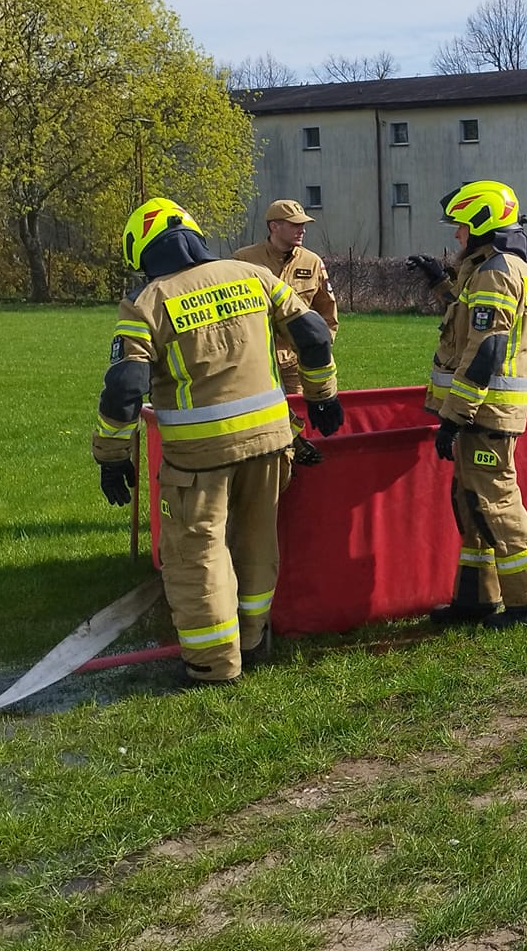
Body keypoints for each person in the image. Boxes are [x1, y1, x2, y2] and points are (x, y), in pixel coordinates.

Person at [92, 197, 342, 687]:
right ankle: (253, 640)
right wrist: (322, 395)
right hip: (271, 444)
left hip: (198, 458)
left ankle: (213, 664)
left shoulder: (147, 302)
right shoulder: (253, 276)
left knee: (197, 554)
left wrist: (112, 455)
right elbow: (314, 333)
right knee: (257, 542)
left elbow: (125, 388)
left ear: (143, 252)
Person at [407, 181, 527, 629]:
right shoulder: (491, 268)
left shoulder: (496, 271)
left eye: (460, 226)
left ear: (480, 225)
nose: (456, 234)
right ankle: (476, 597)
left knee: (495, 501)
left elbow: (486, 348)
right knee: (471, 501)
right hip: (483, 410)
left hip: (485, 411)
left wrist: (454, 417)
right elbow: (465, 316)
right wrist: (439, 281)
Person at [234, 199, 339, 464]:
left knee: (300, 417)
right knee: (258, 422)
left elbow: (327, 312)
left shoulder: (312, 262)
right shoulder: (243, 260)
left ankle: (295, 465)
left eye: (303, 224)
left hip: (295, 362)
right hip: (255, 362)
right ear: (274, 227)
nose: (302, 230)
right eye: (295, 225)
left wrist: (319, 351)